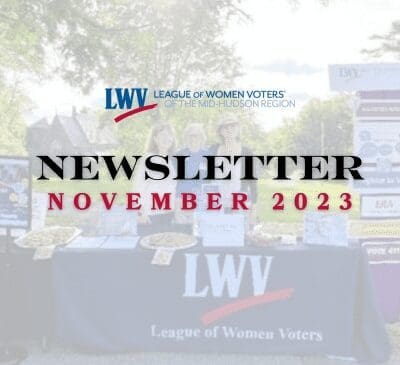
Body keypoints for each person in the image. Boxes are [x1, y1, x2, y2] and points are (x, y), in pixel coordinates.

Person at [208, 117, 258, 224]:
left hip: (239, 202)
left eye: (233, 126)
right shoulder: (213, 150)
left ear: (238, 129)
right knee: (217, 235)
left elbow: (252, 182)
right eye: (225, 127)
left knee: (238, 236)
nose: (229, 129)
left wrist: (254, 206)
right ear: (220, 131)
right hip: (216, 203)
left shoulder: (246, 151)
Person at [134, 123, 177, 235]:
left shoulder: (173, 160)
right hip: (150, 215)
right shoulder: (148, 159)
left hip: (169, 215)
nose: (166, 138)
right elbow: (137, 188)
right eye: (162, 135)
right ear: (155, 139)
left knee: (166, 249)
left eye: (169, 135)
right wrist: (140, 213)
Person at [174, 123, 208, 225]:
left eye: (196, 135)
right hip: (181, 200)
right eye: (190, 135)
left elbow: (211, 181)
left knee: (200, 231)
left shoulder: (208, 155)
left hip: (201, 200)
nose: (193, 138)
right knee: (182, 232)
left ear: (202, 137)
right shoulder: (178, 155)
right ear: (186, 137)